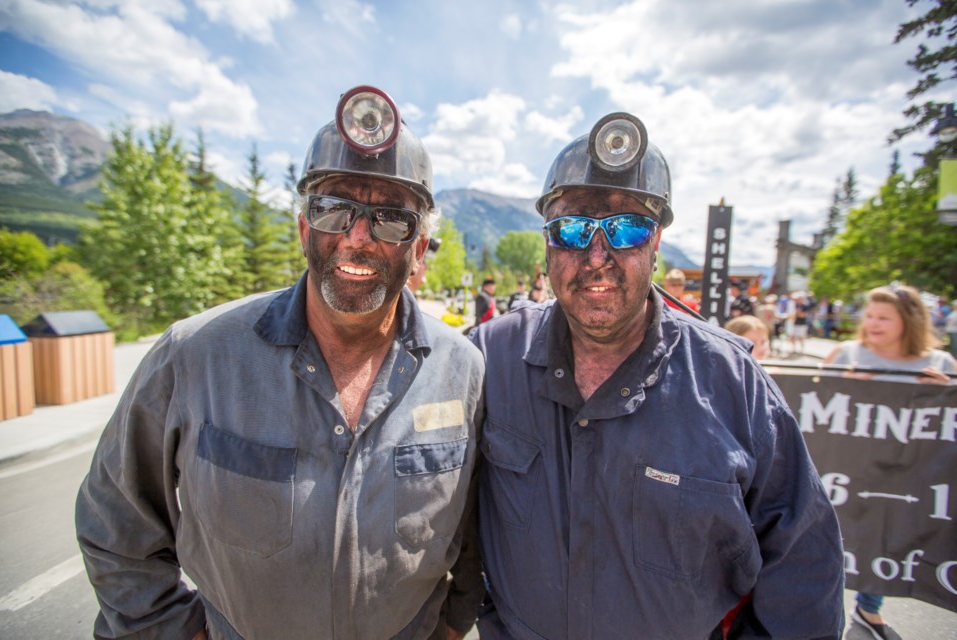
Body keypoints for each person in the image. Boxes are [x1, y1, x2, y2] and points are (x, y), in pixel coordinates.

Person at [75, 86, 484, 640]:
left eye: (392, 219)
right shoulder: (193, 356)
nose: (358, 238)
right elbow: (113, 520)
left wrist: (452, 626)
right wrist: (171, 630)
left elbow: (477, 532)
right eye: (333, 208)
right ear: (303, 229)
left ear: (419, 249)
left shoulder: (464, 371)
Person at [471, 111, 845, 638]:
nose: (597, 256)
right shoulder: (491, 356)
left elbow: (805, 569)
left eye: (626, 228)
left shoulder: (733, 384)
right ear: (547, 242)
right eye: (573, 228)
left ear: (656, 241)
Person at [823, 284, 955, 640]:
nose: (874, 323)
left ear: (908, 321)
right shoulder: (848, 353)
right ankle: (824, 609)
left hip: (903, 470)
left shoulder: (939, 362)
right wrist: (844, 383)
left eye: (884, 317)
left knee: (885, 538)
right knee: (830, 537)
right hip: (846, 464)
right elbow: (812, 401)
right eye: (870, 316)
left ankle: (869, 608)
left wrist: (946, 392)